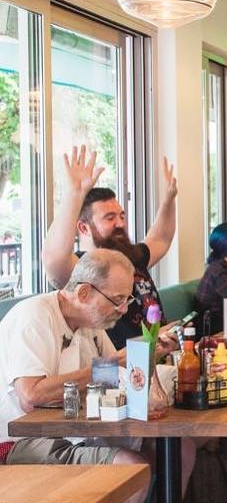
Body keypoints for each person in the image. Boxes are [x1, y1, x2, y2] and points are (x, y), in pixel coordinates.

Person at [0, 250, 208, 503]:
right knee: (130, 469)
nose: (123, 308)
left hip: (76, 432)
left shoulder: (90, 325)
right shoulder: (34, 318)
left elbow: (119, 376)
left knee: (181, 447)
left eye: (128, 298)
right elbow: (31, 395)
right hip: (19, 445)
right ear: (82, 291)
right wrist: (115, 365)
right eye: (117, 299)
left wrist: (149, 354)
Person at [41, 145, 179, 350]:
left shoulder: (129, 257)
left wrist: (168, 199)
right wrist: (75, 194)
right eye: (110, 218)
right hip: (116, 369)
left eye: (122, 216)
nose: (120, 223)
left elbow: (161, 238)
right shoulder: (82, 268)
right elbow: (53, 259)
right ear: (83, 227)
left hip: (159, 358)